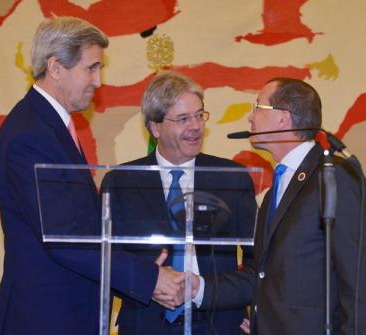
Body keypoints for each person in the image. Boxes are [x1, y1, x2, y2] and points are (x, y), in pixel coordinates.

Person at [0, 17, 184, 335]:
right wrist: (149, 279)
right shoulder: (31, 136)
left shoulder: (49, 128)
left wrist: (142, 263)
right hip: (45, 319)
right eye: (91, 68)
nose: (99, 81)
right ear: (55, 68)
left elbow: (82, 227)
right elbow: (66, 238)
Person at [193, 77, 366, 334]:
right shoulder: (275, 192)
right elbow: (265, 273)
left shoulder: (333, 175)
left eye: (258, 107)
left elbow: (359, 280)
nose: (250, 117)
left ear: (282, 118)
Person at [101, 70, 257, 334]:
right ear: (155, 127)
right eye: (183, 118)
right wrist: (147, 282)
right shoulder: (121, 182)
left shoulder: (231, 178)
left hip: (219, 322)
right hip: (145, 322)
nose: (195, 126)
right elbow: (104, 263)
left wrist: (218, 295)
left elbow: (261, 263)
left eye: (199, 115)